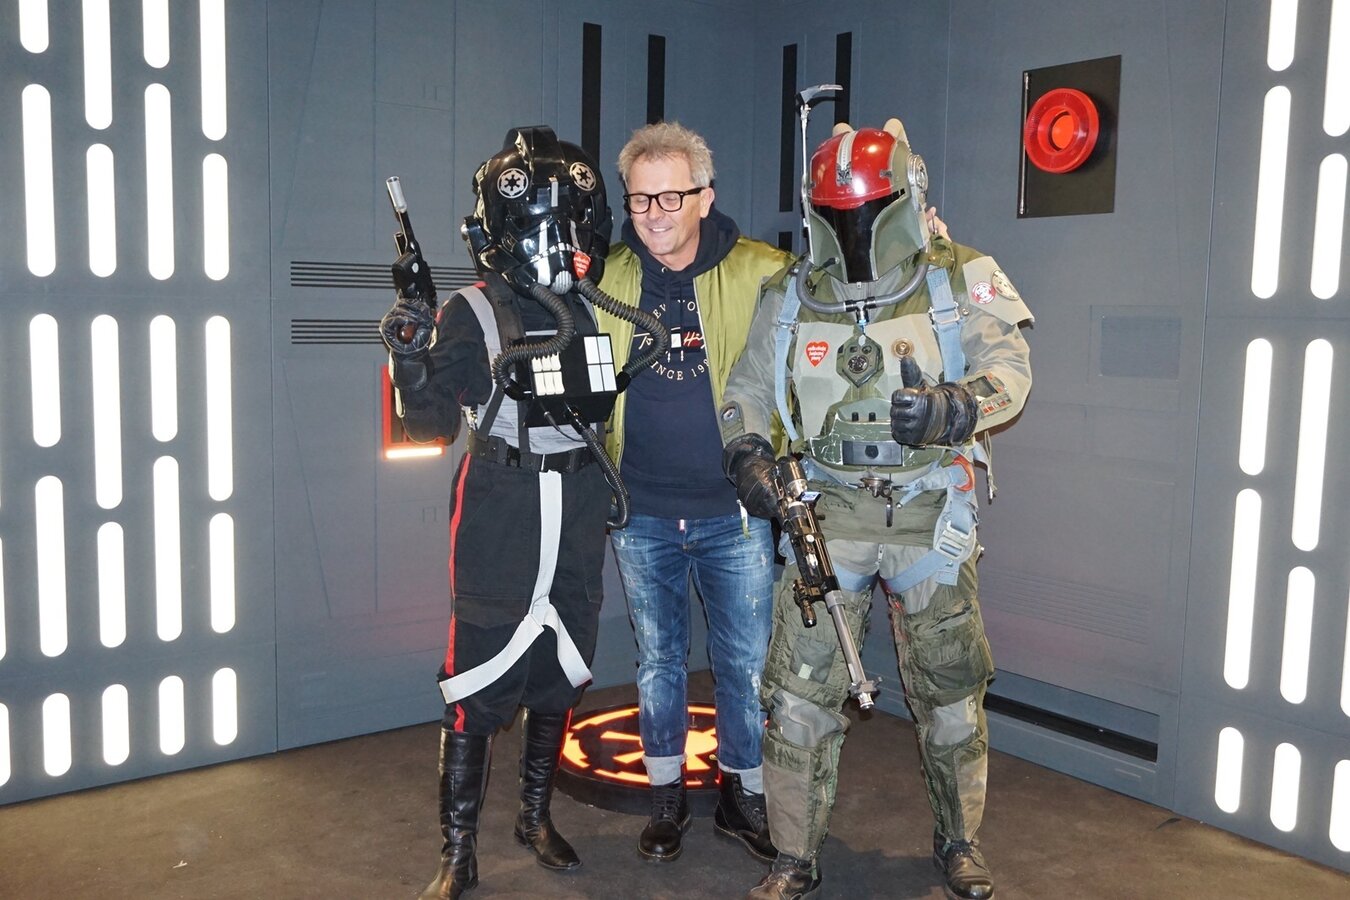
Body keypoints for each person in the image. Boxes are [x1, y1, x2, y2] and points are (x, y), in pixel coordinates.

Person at [719, 118, 1033, 900]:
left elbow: (1010, 369)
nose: (853, 232)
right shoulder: (789, 296)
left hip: (930, 512)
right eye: (838, 217)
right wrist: (747, 453)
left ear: (905, 201)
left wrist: (954, 407)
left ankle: (959, 841)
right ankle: (793, 855)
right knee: (798, 697)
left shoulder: (959, 278)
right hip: (826, 515)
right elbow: (746, 389)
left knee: (951, 695)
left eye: (867, 213)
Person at [379, 125, 665, 900]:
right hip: (501, 508)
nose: (561, 240)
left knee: (560, 666)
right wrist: (410, 357)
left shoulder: (596, 308)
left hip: (577, 501)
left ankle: (533, 818)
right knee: (477, 670)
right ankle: (458, 849)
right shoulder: (472, 312)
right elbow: (428, 426)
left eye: (572, 221)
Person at [593, 122, 794, 864]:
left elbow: (844, 290)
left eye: (671, 196)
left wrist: (926, 239)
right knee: (658, 662)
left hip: (732, 513)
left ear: (705, 197)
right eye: (640, 198)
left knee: (746, 665)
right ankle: (666, 795)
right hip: (640, 511)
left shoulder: (763, 271)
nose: (654, 213)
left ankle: (745, 796)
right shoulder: (608, 275)